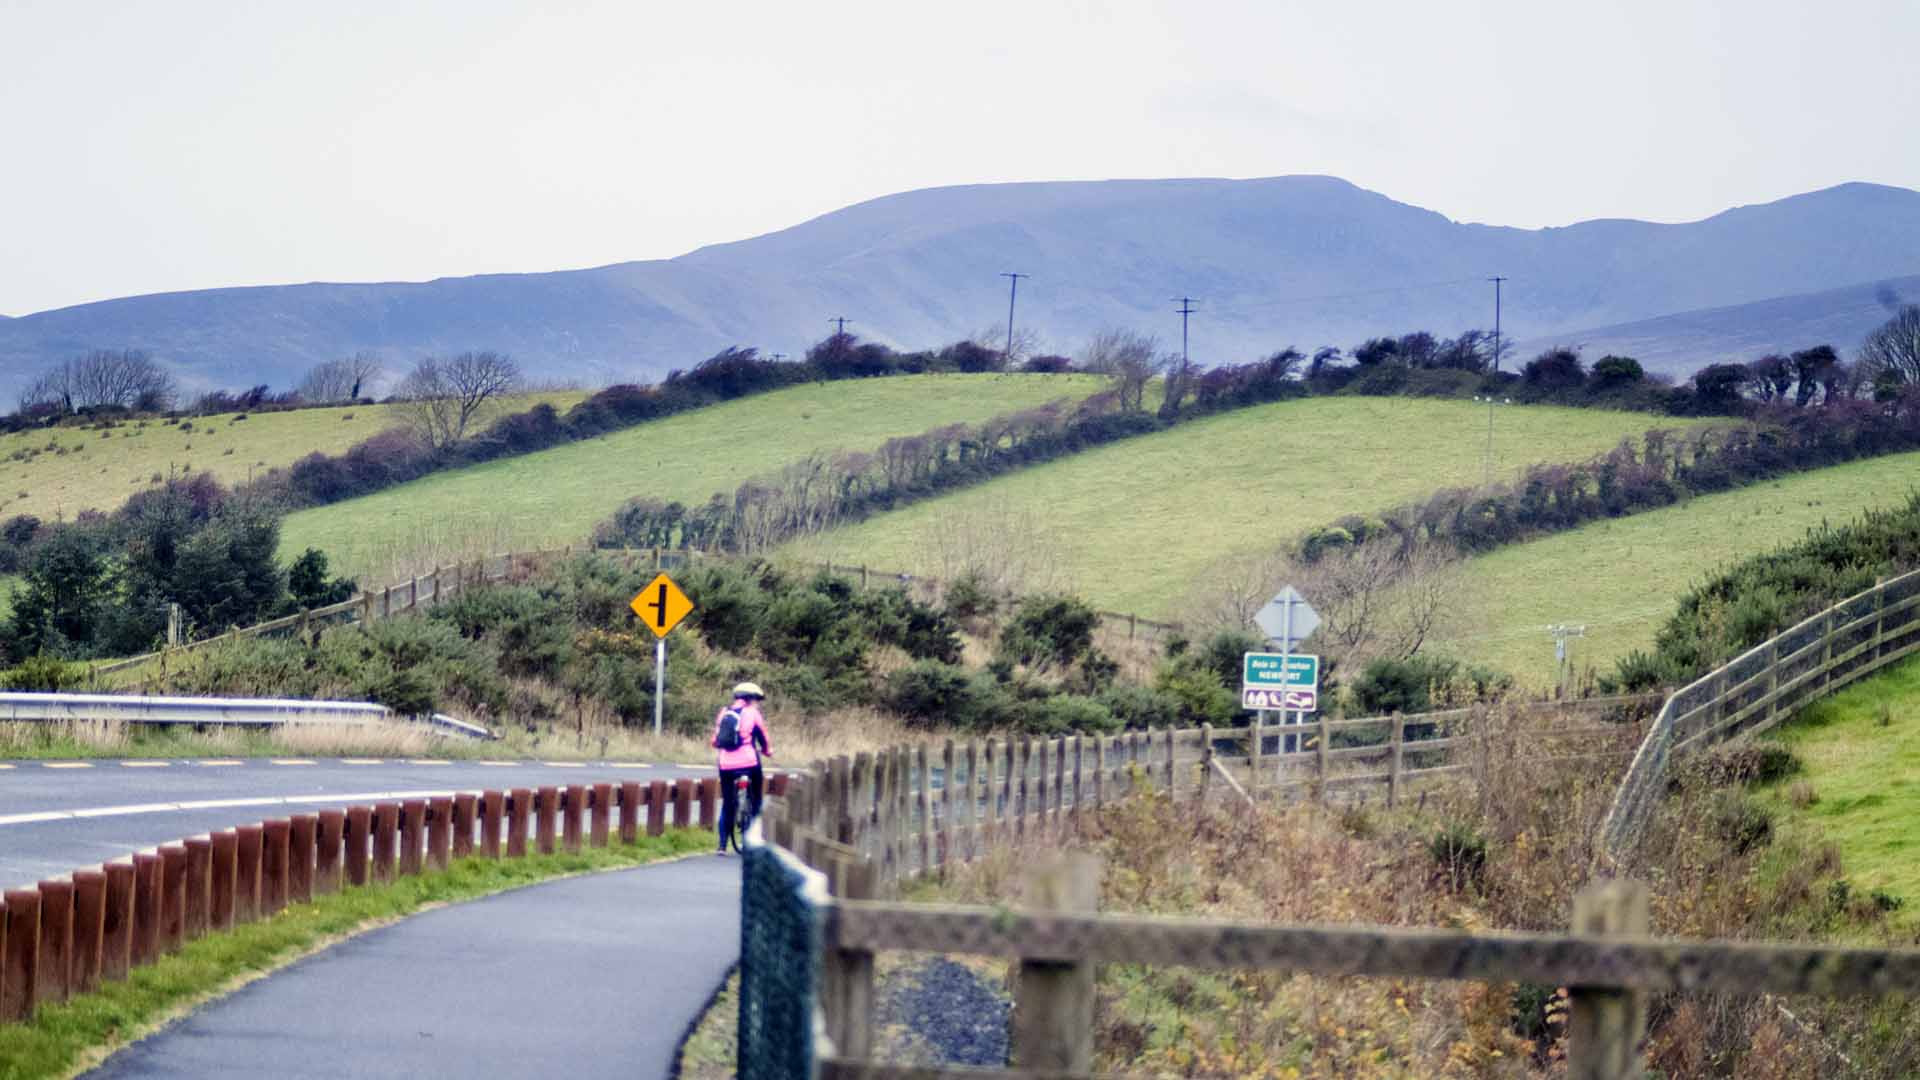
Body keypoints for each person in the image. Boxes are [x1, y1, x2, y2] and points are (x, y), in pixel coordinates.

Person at [712, 681, 771, 854]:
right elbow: (763, 737)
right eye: (757, 699)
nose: (758, 703)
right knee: (757, 798)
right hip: (749, 762)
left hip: (725, 764)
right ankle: (753, 840)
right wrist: (768, 751)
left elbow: (715, 740)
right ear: (750, 699)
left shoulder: (724, 713)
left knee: (727, 803)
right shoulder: (753, 713)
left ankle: (722, 845)